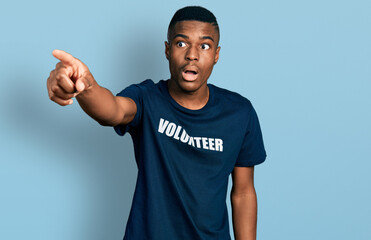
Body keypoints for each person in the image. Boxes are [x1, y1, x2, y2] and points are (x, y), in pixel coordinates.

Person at [47, 6, 266, 240]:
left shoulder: (239, 113)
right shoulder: (147, 98)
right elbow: (112, 110)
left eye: (204, 46)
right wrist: (85, 86)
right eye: (181, 43)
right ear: (168, 50)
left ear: (216, 54)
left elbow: (243, 193)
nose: (192, 54)